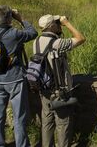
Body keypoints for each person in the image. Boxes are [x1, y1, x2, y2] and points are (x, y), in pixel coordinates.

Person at [0, 5, 38, 147]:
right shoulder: (14, 33)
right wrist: (20, 18)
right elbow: (32, 33)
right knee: (19, 117)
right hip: (15, 79)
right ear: (9, 18)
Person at [35, 14, 86, 147]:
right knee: (63, 123)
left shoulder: (37, 41)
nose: (59, 25)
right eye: (56, 23)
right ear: (52, 26)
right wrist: (67, 23)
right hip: (59, 91)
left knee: (47, 123)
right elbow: (81, 39)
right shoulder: (57, 43)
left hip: (44, 89)